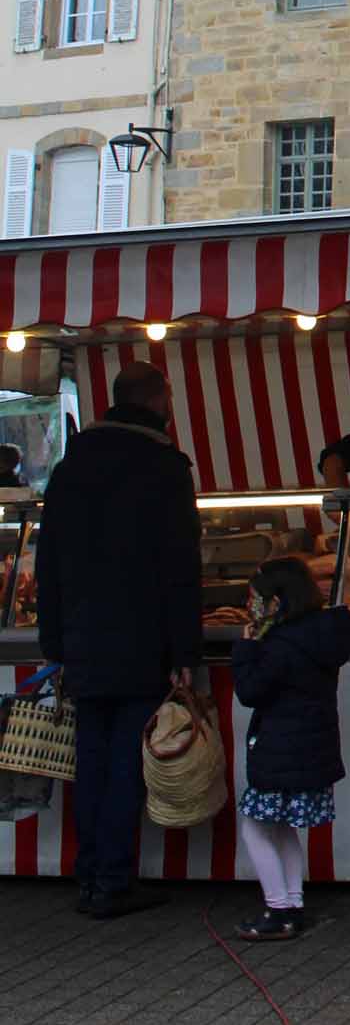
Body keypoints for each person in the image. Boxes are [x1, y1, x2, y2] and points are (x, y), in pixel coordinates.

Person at [35, 363, 202, 919]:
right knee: (126, 760)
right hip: (139, 638)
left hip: (82, 639)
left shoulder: (69, 468)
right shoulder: (163, 467)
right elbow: (181, 567)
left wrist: (54, 642)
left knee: (92, 759)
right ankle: (113, 881)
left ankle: (90, 875)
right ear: (157, 401)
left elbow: (48, 559)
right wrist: (185, 652)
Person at [231, 555, 350, 941]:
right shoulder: (321, 634)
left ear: (277, 600)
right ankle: (293, 904)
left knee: (255, 827)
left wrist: (246, 649)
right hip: (309, 747)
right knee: (283, 827)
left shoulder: (280, 646)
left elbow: (250, 691)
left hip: (279, 749)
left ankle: (278, 908)